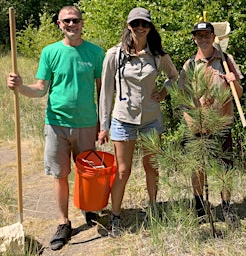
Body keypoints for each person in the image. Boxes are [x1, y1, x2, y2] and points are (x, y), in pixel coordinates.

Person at [6, 6, 104, 251]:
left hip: (87, 123)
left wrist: (104, 122)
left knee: (87, 173)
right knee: (60, 175)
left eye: (76, 20)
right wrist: (19, 87)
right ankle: (63, 222)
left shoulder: (95, 52)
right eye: (67, 21)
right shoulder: (50, 52)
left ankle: (89, 208)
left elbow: (102, 91)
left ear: (82, 23)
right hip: (56, 123)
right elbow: (40, 88)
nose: (72, 24)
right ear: (59, 24)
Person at [98, 7, 178, 238]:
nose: (140, 28)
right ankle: (115, 216)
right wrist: (104, 125)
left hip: (151, 119)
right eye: (135, 24)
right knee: (123, 170)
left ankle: (153, 209)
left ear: (150, 27)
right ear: (128, 26)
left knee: (151, 167)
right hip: (123, 119)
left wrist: (164, 93)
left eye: (144, 24)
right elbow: (106, 92)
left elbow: (175, 77)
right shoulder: (114, 55)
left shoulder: (157, 55)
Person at [178, 22, 244, 225]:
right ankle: (200, 208)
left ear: (214, 37)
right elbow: (181, 96)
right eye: (199, 36)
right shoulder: (190, 64)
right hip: (197, 124)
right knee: (198, 168)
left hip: (222, 122)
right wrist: (194, 110)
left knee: (225, 167)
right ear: (194, 39)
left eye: (207, 35)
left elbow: (238, 95)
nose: (203, 39)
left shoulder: (225, 60)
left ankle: (226, 208)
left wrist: (234, 81)